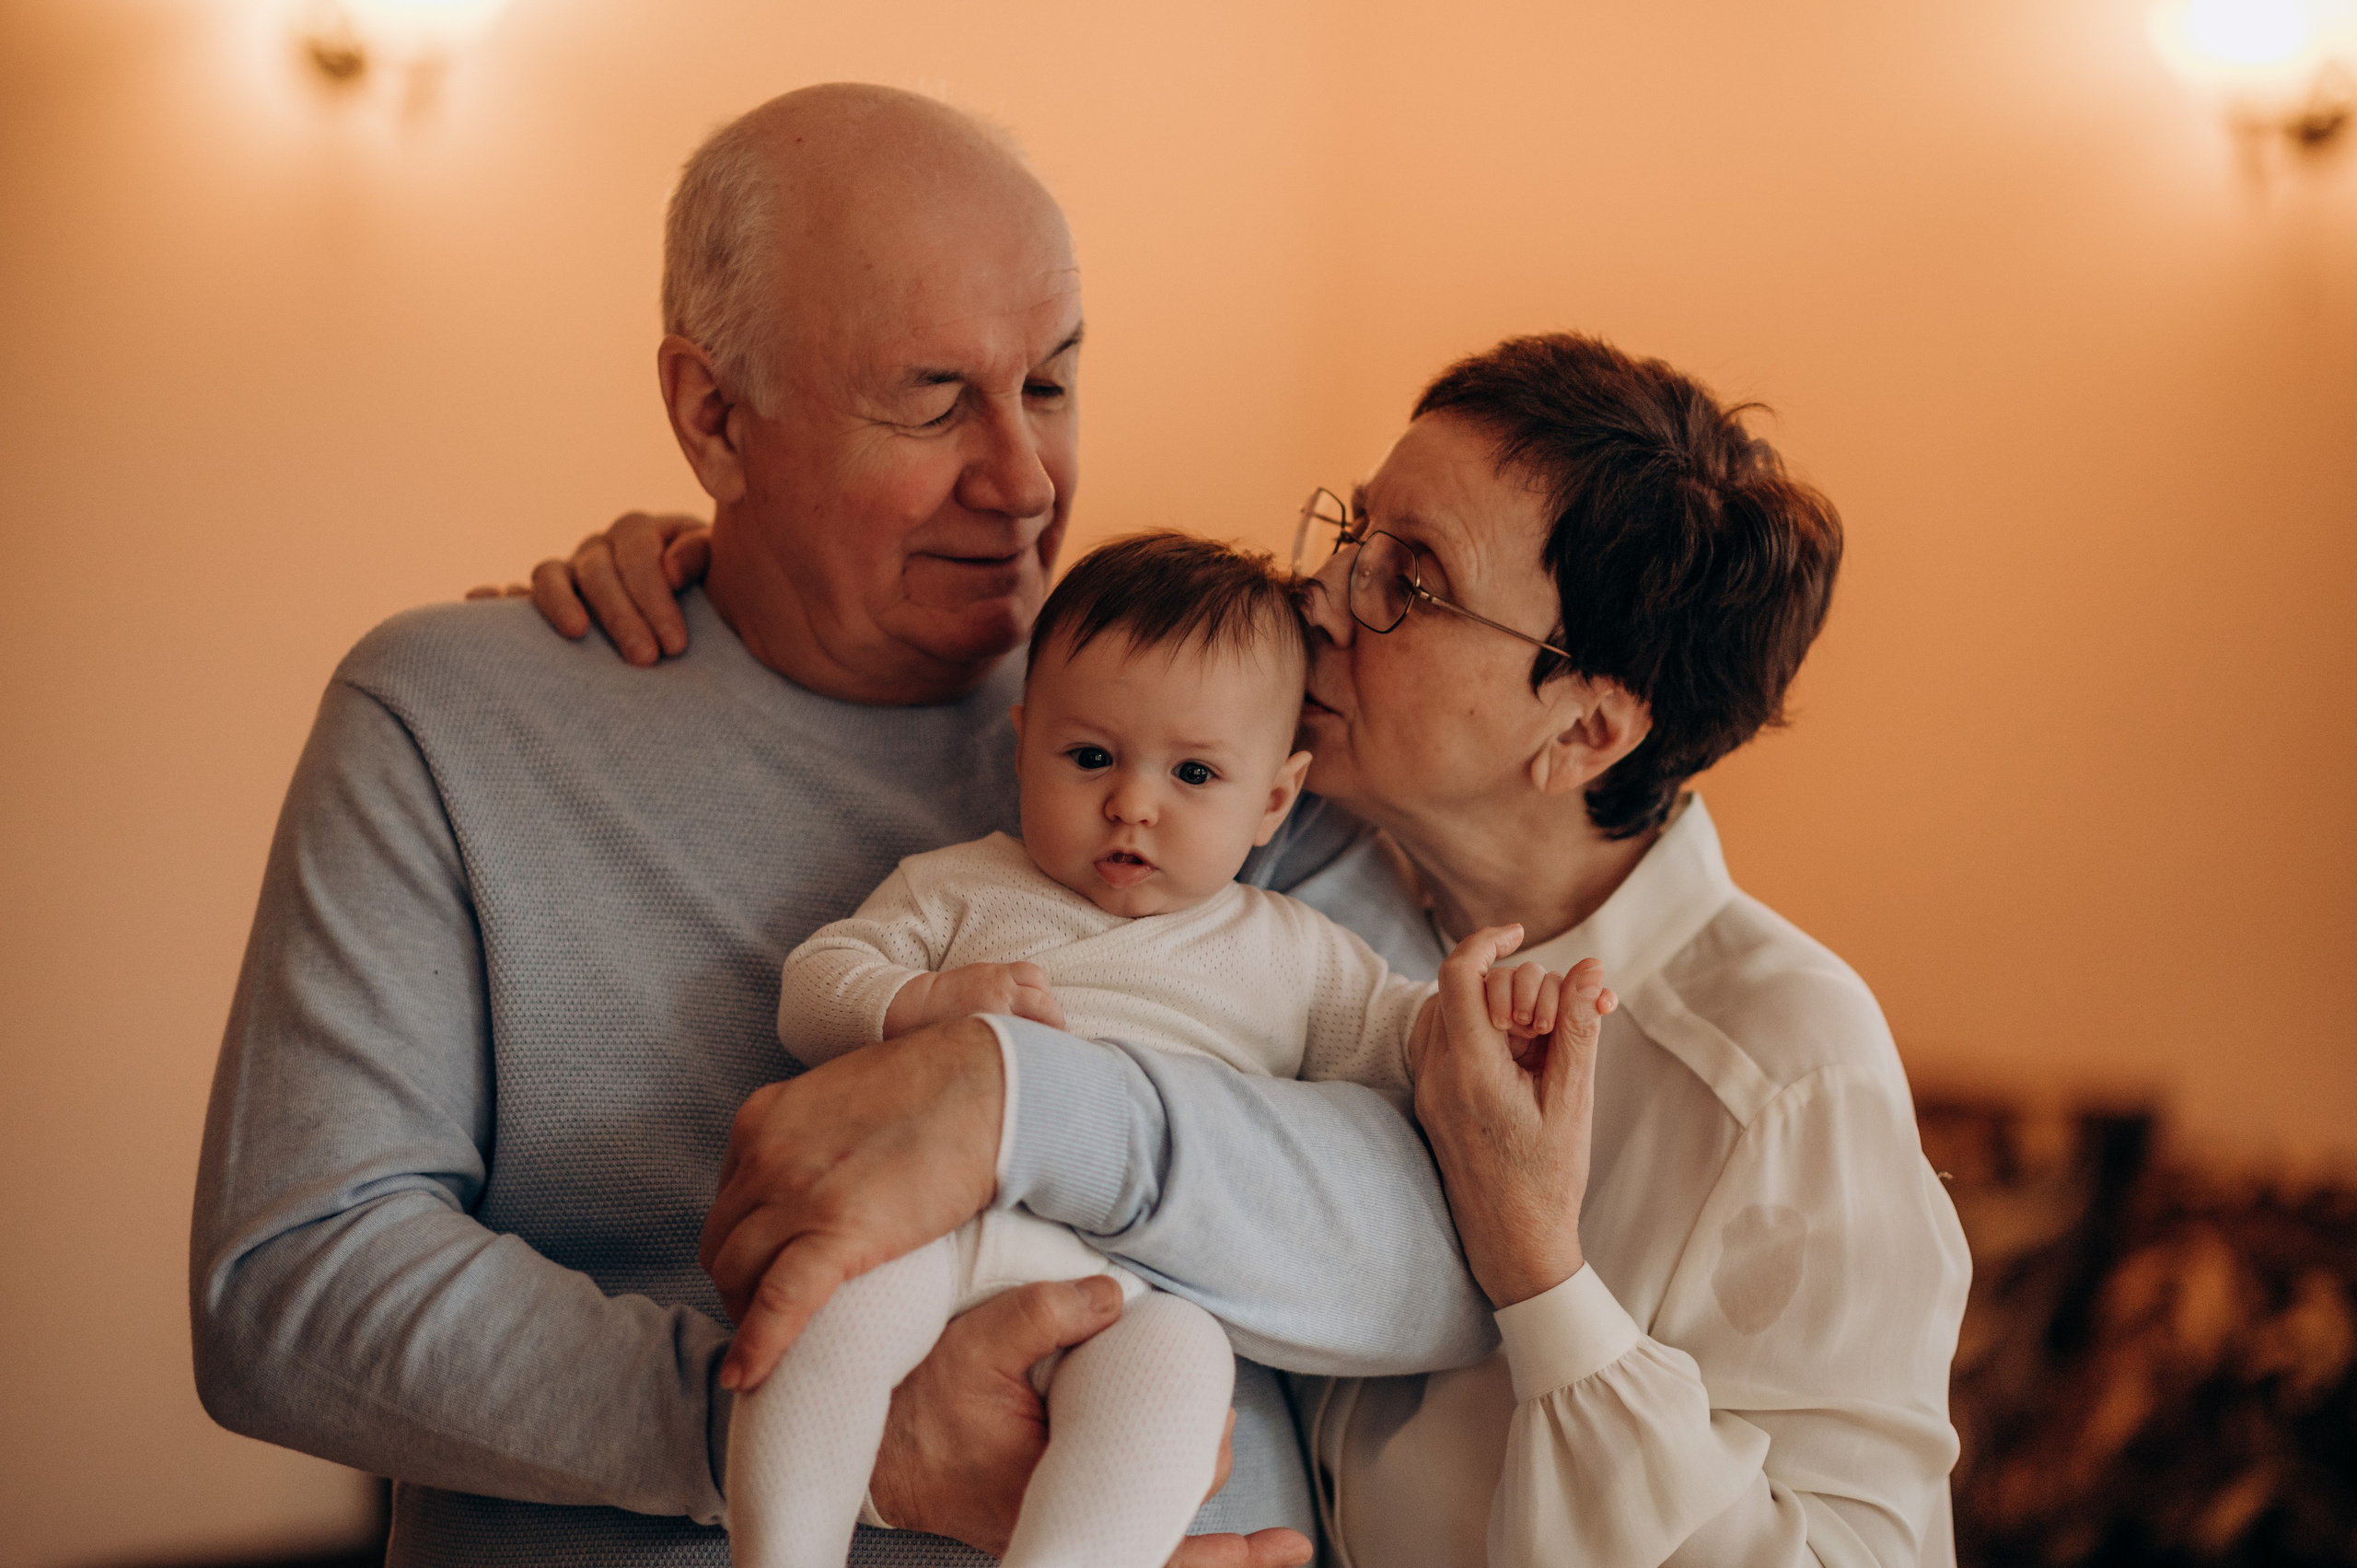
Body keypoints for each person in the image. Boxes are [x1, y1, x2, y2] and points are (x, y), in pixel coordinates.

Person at [192, 83, 1501, 1568]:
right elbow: (289, 1281)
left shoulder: (1219, 739)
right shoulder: (451, 720)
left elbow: (1448, 1258)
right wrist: (812, 1432)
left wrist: (1020, 1104)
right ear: (712, 415)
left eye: (1053, 385)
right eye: (935, 398)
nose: (1023, 482)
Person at [534, 333, 1973, 1565]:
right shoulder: (1281, 850)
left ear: (1587, 725)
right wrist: (726, 574)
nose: (1322, 595)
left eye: (1409, 579)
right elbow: (1092, 668)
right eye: (1355, 530)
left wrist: (1546, 1277)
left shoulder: (1785, 1064)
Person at [732, 531, 1608, 1568]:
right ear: (1023, 743)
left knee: (1181, 1385)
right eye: (1091, 756)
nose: (1133, 802)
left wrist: (1481, 1020)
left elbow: (1406, 1050)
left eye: (1194, 772)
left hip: (1145, 1288)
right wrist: (918, 1002)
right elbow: (814, 984)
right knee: (829, 1316)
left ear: (1273, 799)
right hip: (936, 1227)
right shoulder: (962, 885)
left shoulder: (1292, 950)